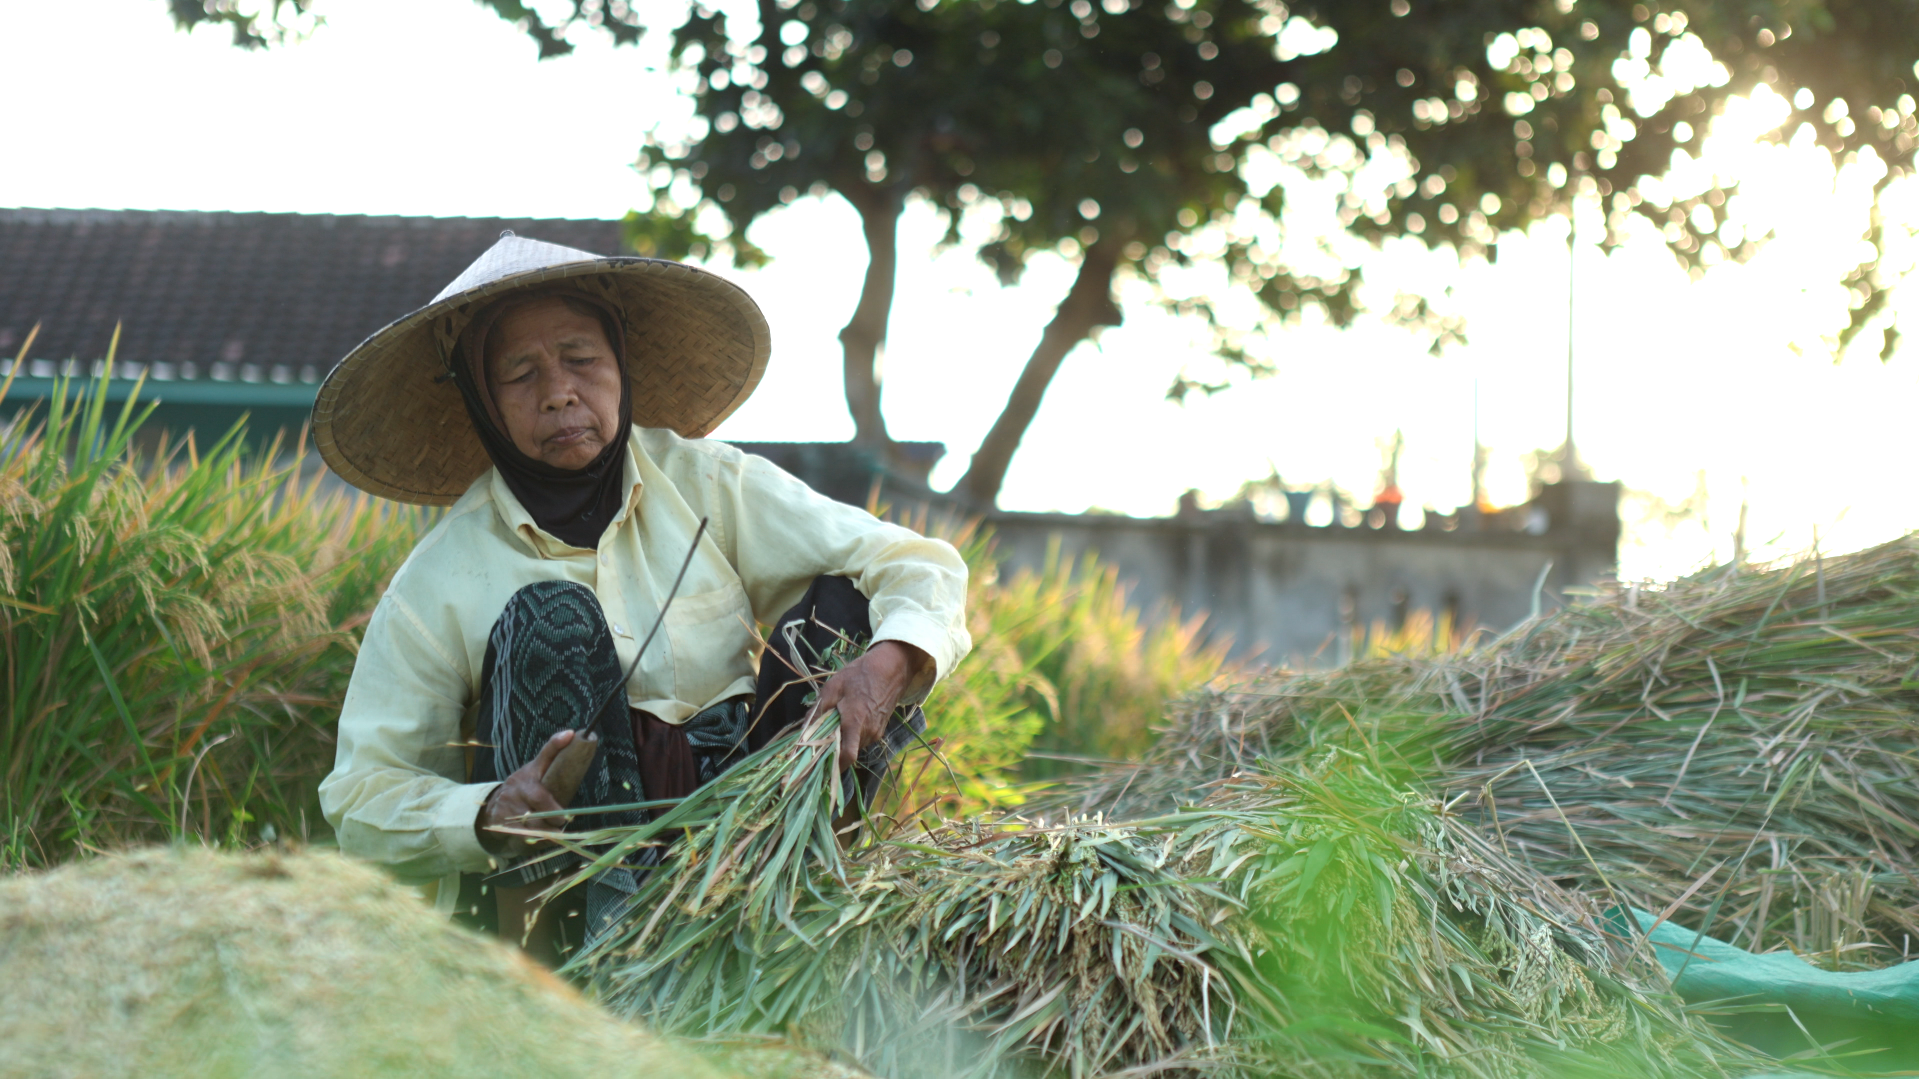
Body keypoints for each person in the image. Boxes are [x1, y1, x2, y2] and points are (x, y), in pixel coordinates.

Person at [315, 234, 971, 959]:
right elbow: (361, 795)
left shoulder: (703, 482)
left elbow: (917, 563)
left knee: (851, 609)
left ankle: (791, 923)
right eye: (520, 372)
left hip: (746, 826)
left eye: (580, 358)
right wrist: (486, 811)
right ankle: (582, 970)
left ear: (619, 363)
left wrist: (886, 666)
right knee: (549, 620)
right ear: (480, 397)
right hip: (570, 868)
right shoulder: (443, 574)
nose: (559, 391)